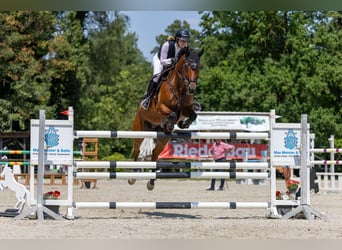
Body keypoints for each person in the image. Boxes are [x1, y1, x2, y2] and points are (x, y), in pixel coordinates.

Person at [141, 28, 191, 109]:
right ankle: (148, 97)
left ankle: (190, 100)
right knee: (157, 76)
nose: (184, 43)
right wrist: (172, 60)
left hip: (173, 63)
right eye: (182, 41)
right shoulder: (167, 45)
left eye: (185, 41)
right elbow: (162, 61)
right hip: (160, 61)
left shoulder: (185, 48)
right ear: (177, 39)